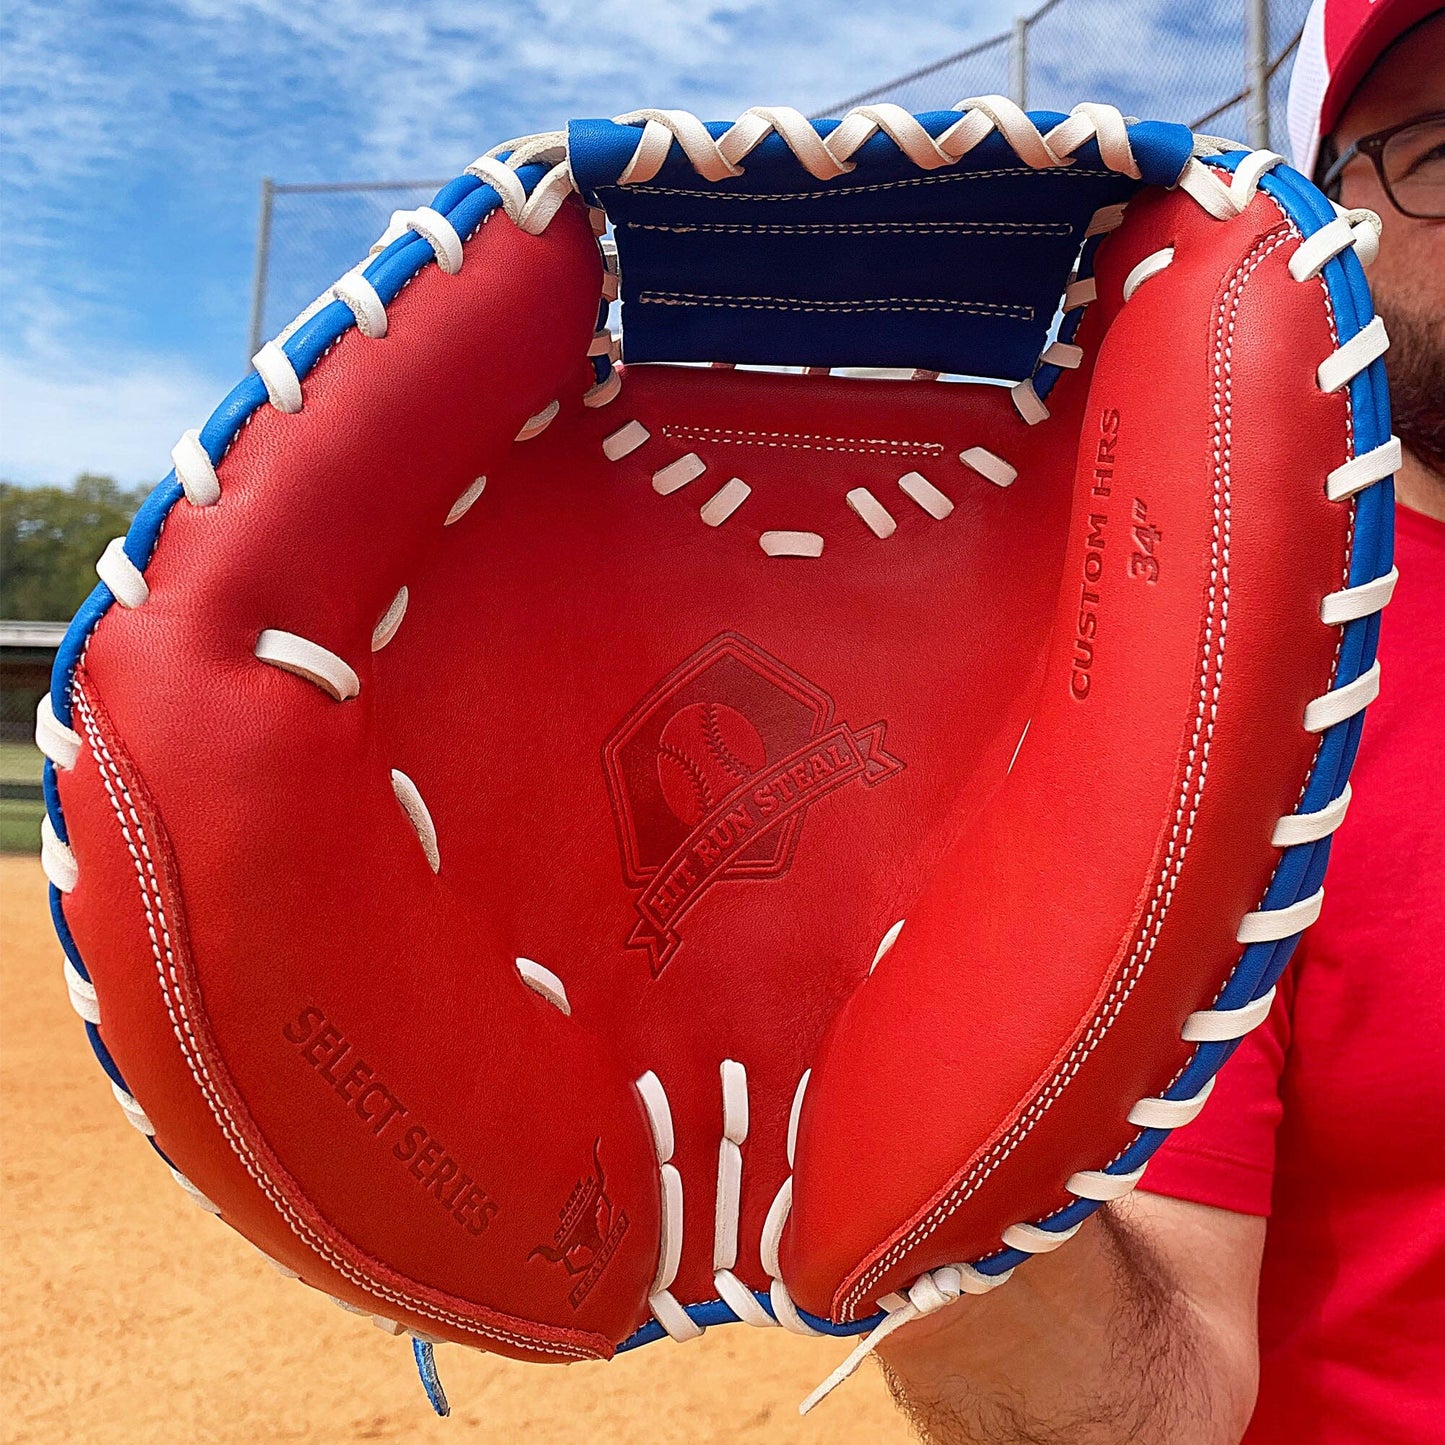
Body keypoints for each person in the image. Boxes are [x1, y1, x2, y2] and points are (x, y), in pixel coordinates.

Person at [878, 4, 1445, 1441]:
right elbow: (1148, 1405)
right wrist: (913, 1176)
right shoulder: (1237, 691)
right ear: (1337, 215)